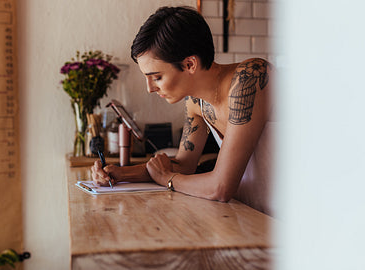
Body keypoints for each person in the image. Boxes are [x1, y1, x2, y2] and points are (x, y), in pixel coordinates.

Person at [91, 6, 275, 214]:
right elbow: (183, 165)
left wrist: (167, 179)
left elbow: (220, 187)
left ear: (189, 64)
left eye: (157, 77)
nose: (150, 89)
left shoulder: (250, 77)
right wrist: (120, 174)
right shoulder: (196, 103)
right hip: (251, 215)